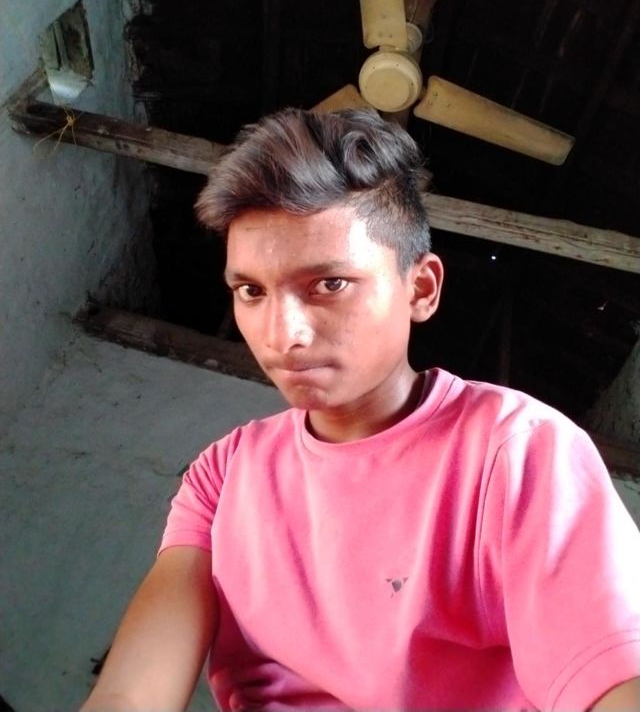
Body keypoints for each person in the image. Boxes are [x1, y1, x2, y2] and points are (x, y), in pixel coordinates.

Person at [81, 109, 640, 712]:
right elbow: (130, 696)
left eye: (329, 285)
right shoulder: (223, 474)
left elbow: (614, 685)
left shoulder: (516, 451)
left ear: (421, 289)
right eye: (251, 291)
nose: (284, 335)